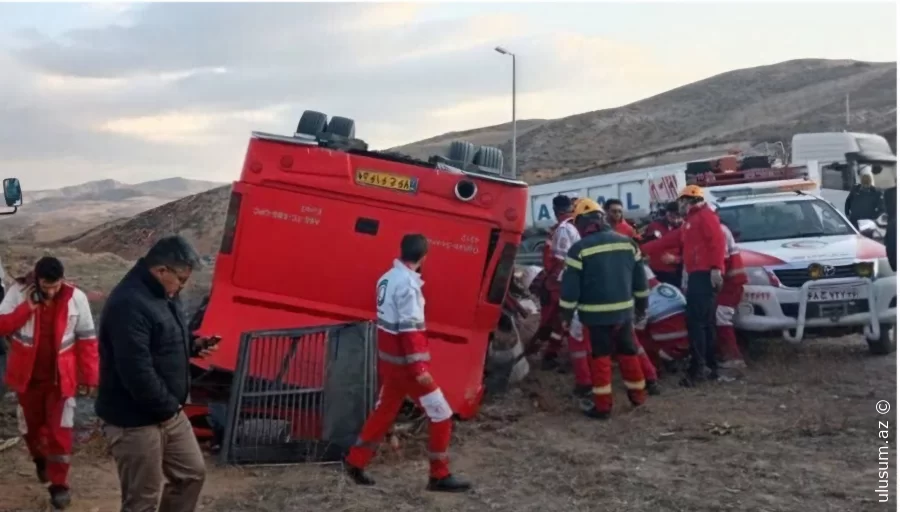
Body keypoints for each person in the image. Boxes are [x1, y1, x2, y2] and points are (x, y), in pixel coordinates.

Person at [96, 236, 217, 512]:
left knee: (191, 475)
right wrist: (169, 409)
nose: (183, 286)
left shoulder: (165, 294)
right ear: (161, 270)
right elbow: (136, 372)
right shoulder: (128, 304)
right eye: (181, 279)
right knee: (142, 502)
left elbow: (166, 338)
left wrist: (194, 345)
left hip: (167, 412)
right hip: (134, 420)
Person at [345, 234, 470, 492]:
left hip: (391, 363)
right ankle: (439, 474)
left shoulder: (387, 279)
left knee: (384, 411)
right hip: (407, 367)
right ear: (425, 257)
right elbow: (410, 330)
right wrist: (419, 369)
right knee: (442, 414)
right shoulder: (408, 286)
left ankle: (355, 461)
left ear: (402, 250)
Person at [0, 257, 98, 510]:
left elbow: (87, 339)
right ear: (37, 280)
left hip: (61, 382)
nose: (51, 291)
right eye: (46, 286)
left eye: (56, 286)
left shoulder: (76, 298)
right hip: (27, 380)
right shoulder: (18, 293)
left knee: (60, 432)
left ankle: (59, 485)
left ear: (62, 280)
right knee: (32, 430)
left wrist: (90, 376)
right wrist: (27, 308)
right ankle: (40, 459)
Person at [559, 198, 649, 420]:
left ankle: (603, 406)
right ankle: (638, 397)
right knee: (628, 352)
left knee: (601, 358)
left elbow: (570, 291)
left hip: (596, 316)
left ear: (581, 222)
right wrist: (641, 307)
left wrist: (565, 316)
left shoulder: (578, 250)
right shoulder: (628, 243)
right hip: (624, 315)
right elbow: (641, 282)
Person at [676, 185, 726, 387]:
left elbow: (717, 242)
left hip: (704, 274)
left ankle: (700, 367)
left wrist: (716, 268)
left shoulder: (704, 217)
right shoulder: (693, 219)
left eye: (680, 201)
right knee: (704, 322)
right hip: (699, 273)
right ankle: (708, 365)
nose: (679, 206)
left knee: (697, 322)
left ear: (687, 200)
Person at [532, 195, 580, 370]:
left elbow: (559, 260)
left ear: (555, 210)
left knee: (554, 320)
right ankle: (551, 352)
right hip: (566, 282)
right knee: (560, 321)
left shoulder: (563, 228)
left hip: (559, 283)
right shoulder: (573, 227)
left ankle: (549, 353)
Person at [635, 265, 690, 372]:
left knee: (635, 334)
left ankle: (654, 366)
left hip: (670, 345)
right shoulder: (670, 287)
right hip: (690, 342)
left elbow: (638, 330)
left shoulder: (644, 299)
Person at [715, 221, 748, 369]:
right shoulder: (721, 229)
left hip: (729, 283)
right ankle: (728, 356)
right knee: (722, 318)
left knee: (722, 317)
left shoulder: (718, 231)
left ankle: (733, 358)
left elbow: (720, 261)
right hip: (731, 282)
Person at [642, 202, 683, 288]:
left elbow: (690, 254)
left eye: (678, 217)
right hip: (654, 273)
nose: (675, 220)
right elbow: (644, 244)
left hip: (674, 273)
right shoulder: (655, 225)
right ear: (667, 213)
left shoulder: (684, 229)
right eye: (672, 216)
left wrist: (676, 259)